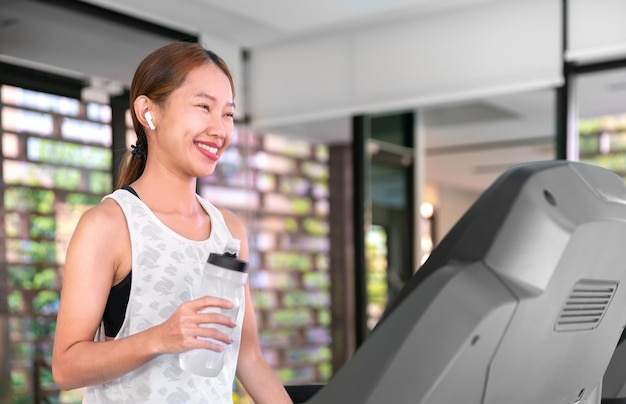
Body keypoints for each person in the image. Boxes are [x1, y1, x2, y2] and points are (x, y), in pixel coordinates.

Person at [52, 41, 293, 403]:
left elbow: (249, 358)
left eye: (227, 114)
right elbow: (66, 367)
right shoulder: (109, 225)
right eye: (203, 107)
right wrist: (161, 337)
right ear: (149, 113)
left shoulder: (230, 231)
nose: (219, 128)